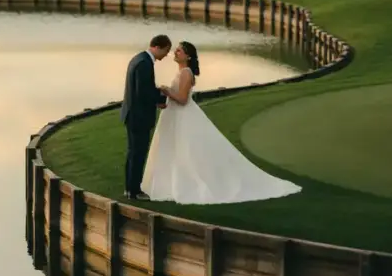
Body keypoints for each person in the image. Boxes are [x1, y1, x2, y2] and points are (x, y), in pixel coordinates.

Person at [141, 41, 302, 204]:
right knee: (177, 150)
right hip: (175, 115)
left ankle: (185, 183)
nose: (175, 52)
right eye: (176, 50)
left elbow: (182, 99)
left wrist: (167, 90)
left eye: (179, 51)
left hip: (181, 115)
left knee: (186, 150)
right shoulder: (182, 71)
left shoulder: (186, 73)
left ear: (187, 56)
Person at [120, 34, 173, 201]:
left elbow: (143, 88)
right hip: (139, 116)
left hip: (132, 113)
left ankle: (129, 188)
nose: (165, 56)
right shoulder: (144, 63)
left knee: (133, 152)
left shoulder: (138, 58)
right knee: (138, 153)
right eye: (166, 51)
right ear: (158, 47)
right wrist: (160, 100)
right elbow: (143, 92)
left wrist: (156, 93)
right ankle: (134, 191)